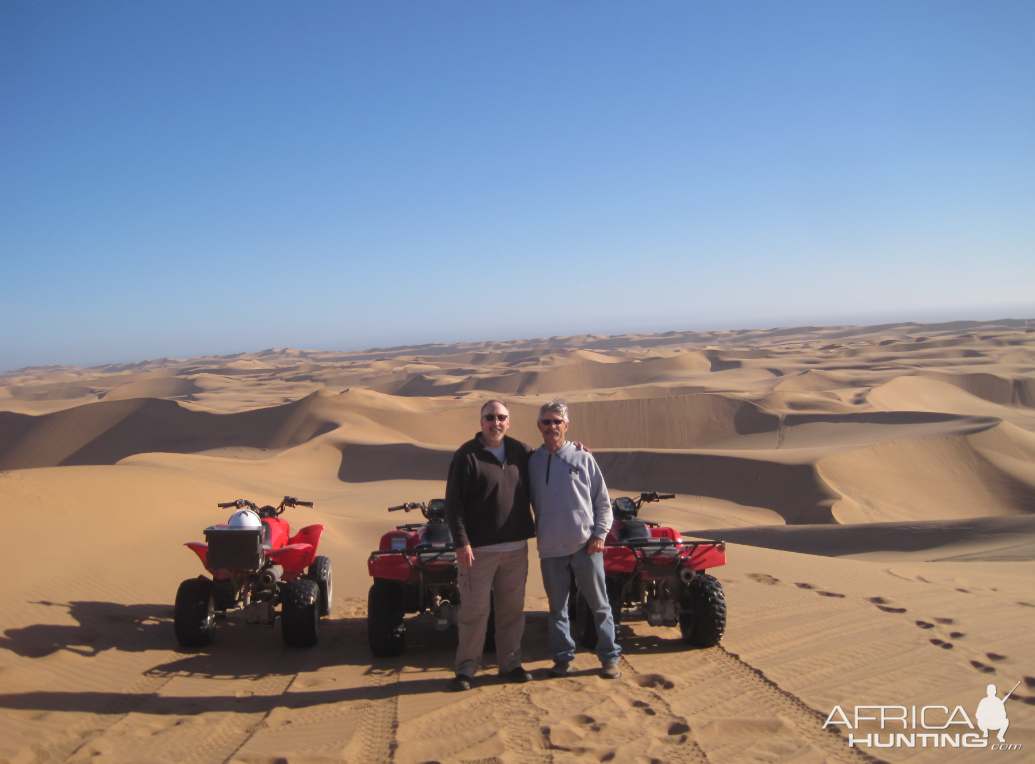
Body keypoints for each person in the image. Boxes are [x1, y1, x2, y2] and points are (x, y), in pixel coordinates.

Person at [444, 399, 535, 691]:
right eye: (490, 417)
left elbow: (552, 461)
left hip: (515, 549)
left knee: (512, 610)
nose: (496, 422)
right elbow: (453, 505)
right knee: (474, 613)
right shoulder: (466, 456)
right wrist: (461, 543)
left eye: (501, 417)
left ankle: (510, 664)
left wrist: (578, 449)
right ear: (481, 421)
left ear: (508, 422)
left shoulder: (521, 451)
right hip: (478, 552)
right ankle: (466, 670)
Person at [528, 400, 621, 679]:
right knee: (558, 610)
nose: (552, 426)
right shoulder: (531, 461)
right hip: (550, 549)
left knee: (600, 606)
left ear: (566, 426)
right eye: (547, 422)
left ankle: (609, 658)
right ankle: (563, 659)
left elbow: (603, 502)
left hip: (586, 546)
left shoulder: (583, 458)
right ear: (539, 426)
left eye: (557, 421)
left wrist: (599, 535)